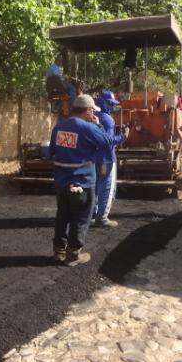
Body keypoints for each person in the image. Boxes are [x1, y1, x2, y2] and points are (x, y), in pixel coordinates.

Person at [49, 94, 113, 266]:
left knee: (62, 215)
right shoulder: (88, 128)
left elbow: (51, 152)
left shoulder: (59, 127)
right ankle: (73, 254)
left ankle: (58, 251)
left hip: (62, 182)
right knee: (81, 217)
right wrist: (98, 124)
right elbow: (107, 143)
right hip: (82, 182)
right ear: (89, 110)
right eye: (92, 111)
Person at [92, 91, 128, 227]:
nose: (112, 107)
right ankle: (102, 218)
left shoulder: (94, 117)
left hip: (94, 158)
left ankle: (94, 215)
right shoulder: (107, 119)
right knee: (106, 188)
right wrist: (123, 137)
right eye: (111, 104)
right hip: (106, 158)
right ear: (104, 103)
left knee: (95, 188)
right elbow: (107, 141)